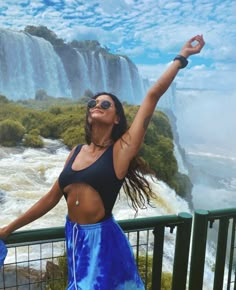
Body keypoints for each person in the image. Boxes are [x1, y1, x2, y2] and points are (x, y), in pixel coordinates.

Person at [0, 35, 205, 289]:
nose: (96, 105)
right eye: (92, 103)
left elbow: (151, 97)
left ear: (116, 117)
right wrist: (8, 228)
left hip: (103, 243)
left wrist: (181, 57)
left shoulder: (121, 150)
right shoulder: (75, 151)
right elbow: (50, 199)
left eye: (105, 103)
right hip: (74, 239)